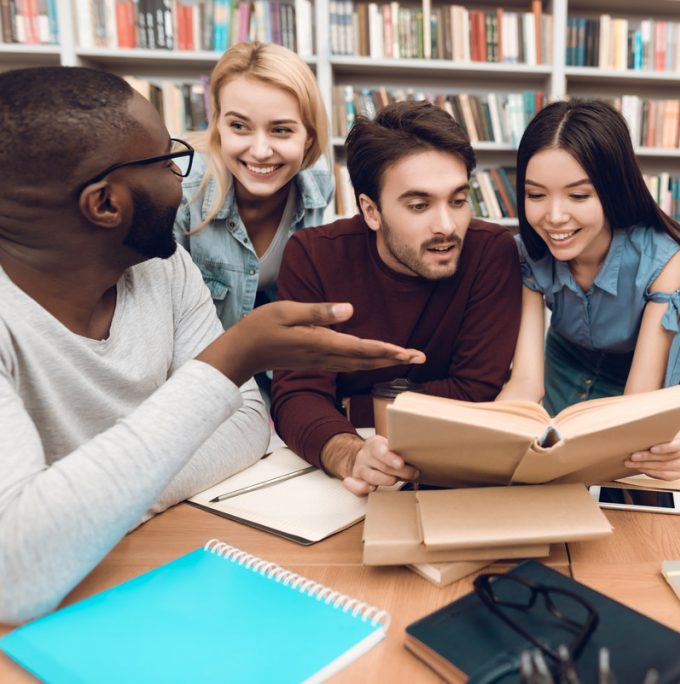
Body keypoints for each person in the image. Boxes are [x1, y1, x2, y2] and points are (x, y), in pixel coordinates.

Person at [0, 67, 422, 624]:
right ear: (105, 205)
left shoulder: (163, 267)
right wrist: (234, 354)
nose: (183, 173)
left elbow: (247, 419)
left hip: (153, 573)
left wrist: (87, 505)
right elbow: (18, 573)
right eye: (166, 159)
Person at [270, 101, 522, 495]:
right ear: (371, 211)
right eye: (420, 205)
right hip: (344, 475)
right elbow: (298, 394)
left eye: (458, 200)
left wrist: (350, 404)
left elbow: (475, 392)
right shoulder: (313, 255)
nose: (446, 226)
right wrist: (350, 454)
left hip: (454, 463)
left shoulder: (492, 252)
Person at [495, 99, 680, 481]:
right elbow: (526, 383)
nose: (553, 217)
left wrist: (643, 445)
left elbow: (636, 403)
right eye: (536, 195)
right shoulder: (528, 251)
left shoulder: (665, 259)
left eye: (578, 196)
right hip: (560, 369)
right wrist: (485, 438)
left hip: (627, 385)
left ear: (613, 190)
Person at [174, 42, 334, 330]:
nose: (260, 151)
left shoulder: (319, 181)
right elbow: (169, 322)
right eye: (239, 126)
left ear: (308, 136)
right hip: (203, 362)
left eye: (281, 130)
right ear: (218, 125)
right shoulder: (181, 192)